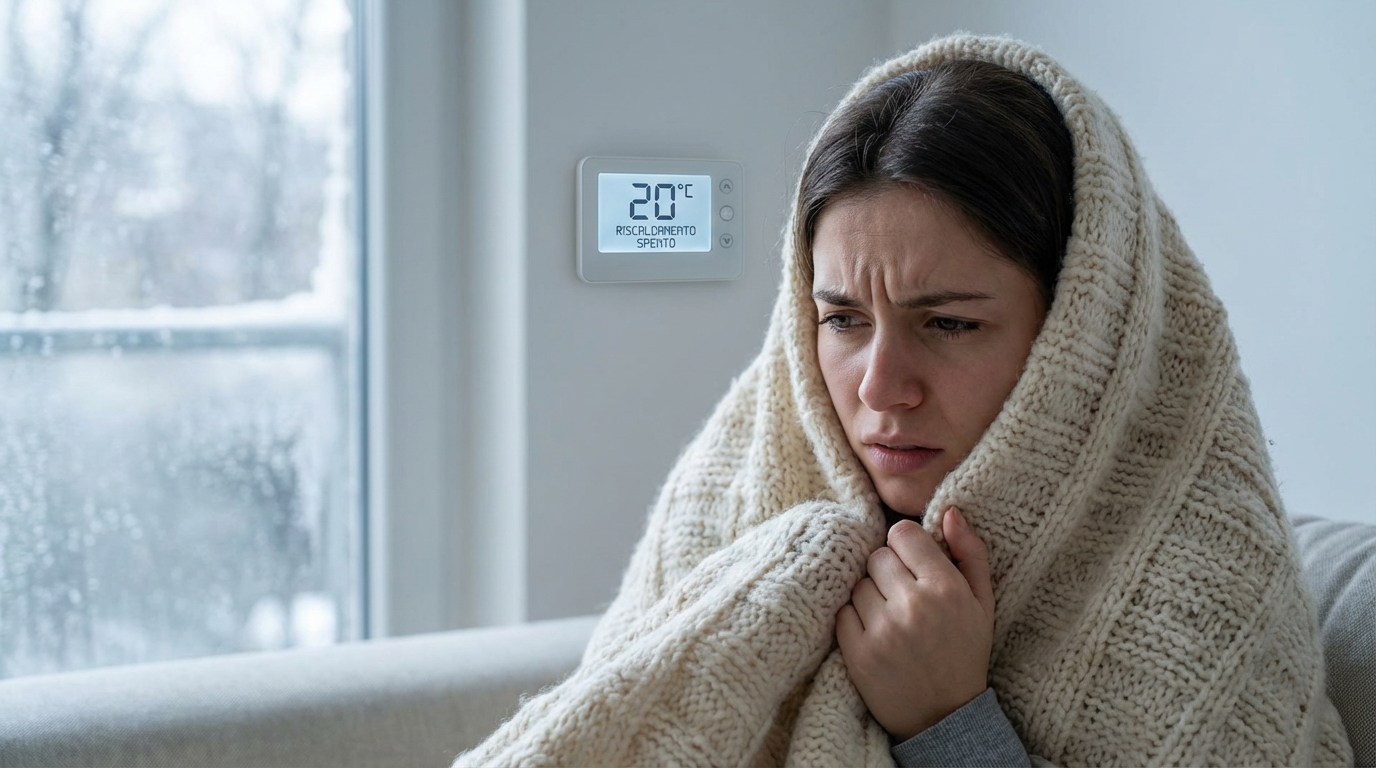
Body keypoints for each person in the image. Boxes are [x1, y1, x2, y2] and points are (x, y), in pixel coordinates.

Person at [457, 35, 1353, 767]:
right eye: (842, 319)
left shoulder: (1203, 588)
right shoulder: (727, 503)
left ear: (1083, 340)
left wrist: (951, 727)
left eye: (951, 325)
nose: (881, 388)